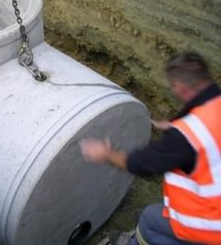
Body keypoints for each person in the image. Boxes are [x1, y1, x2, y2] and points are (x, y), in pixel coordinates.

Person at [80, 51, 221, 245]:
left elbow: (144, 164)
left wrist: (105, 153)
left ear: (180, 87)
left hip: (213, 228)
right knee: (157, 217)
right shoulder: (213, 108)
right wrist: (176, 126)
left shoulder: (188, 135)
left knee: (149, 220)